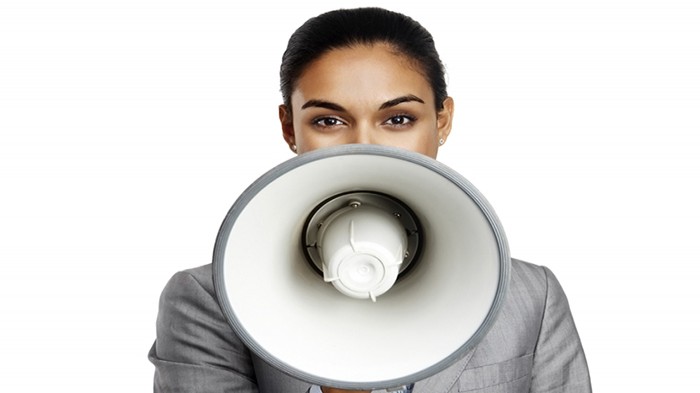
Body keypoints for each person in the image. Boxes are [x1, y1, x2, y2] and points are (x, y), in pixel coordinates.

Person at [148, 7, 591, 393]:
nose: (365, 146)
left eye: (398, 118)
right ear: (289, 129)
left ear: (442, 120)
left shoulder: (531, 296)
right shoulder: (209, 300)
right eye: (328, 120)